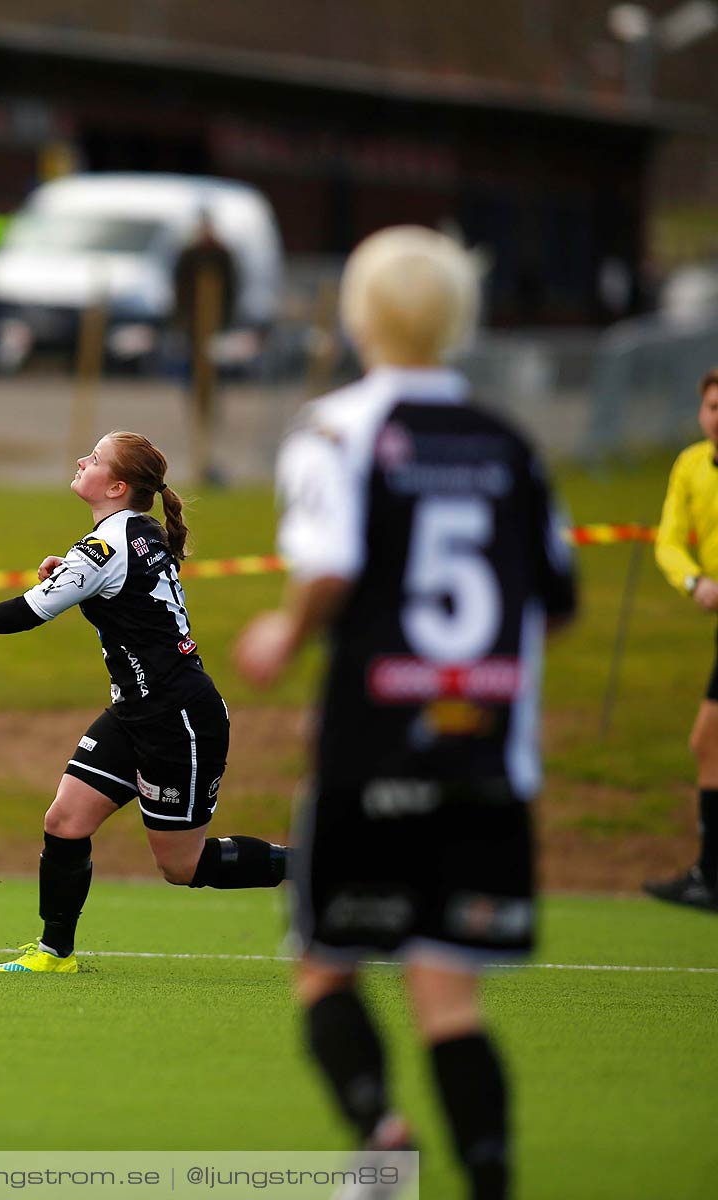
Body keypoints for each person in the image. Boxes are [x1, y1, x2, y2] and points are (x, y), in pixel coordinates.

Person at [234, 226, 578, 1200]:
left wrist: (285, 632)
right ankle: (489, 1179)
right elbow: (557, 595)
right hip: (485, 761)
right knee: (449, 996)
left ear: (356, 314)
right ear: (461, 319)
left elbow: (333, 564)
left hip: (369, 751)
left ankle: (381, 1145)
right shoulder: (511, 442)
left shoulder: (339, 427)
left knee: (326, 968)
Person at [0, 431, 287, 975]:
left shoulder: (104, 546)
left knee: (182, 866)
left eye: (94, 459)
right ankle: (55, 954)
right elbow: (121, 591)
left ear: (117, 486)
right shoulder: (134, 534)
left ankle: (321, 869)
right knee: (66, 820)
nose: (81, 460)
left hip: (178, 718)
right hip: (134, 712)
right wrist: (71, 575)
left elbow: (28, 613)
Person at [645, 366, 718, 913]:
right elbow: (669, 538)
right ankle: (709, 876)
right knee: (708, 745)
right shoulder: (692, 465)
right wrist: (693, 580)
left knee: (707, 742)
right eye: (713, 407)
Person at [171, 210, 237, 484]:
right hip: (193, 329)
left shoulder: (222, 256)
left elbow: (232, 288)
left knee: (212, 374)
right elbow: (179, 288)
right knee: (193, 374)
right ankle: (198, 401)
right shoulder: (189, 255)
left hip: (214, 327)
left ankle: (209, 404)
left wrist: (222, 319)